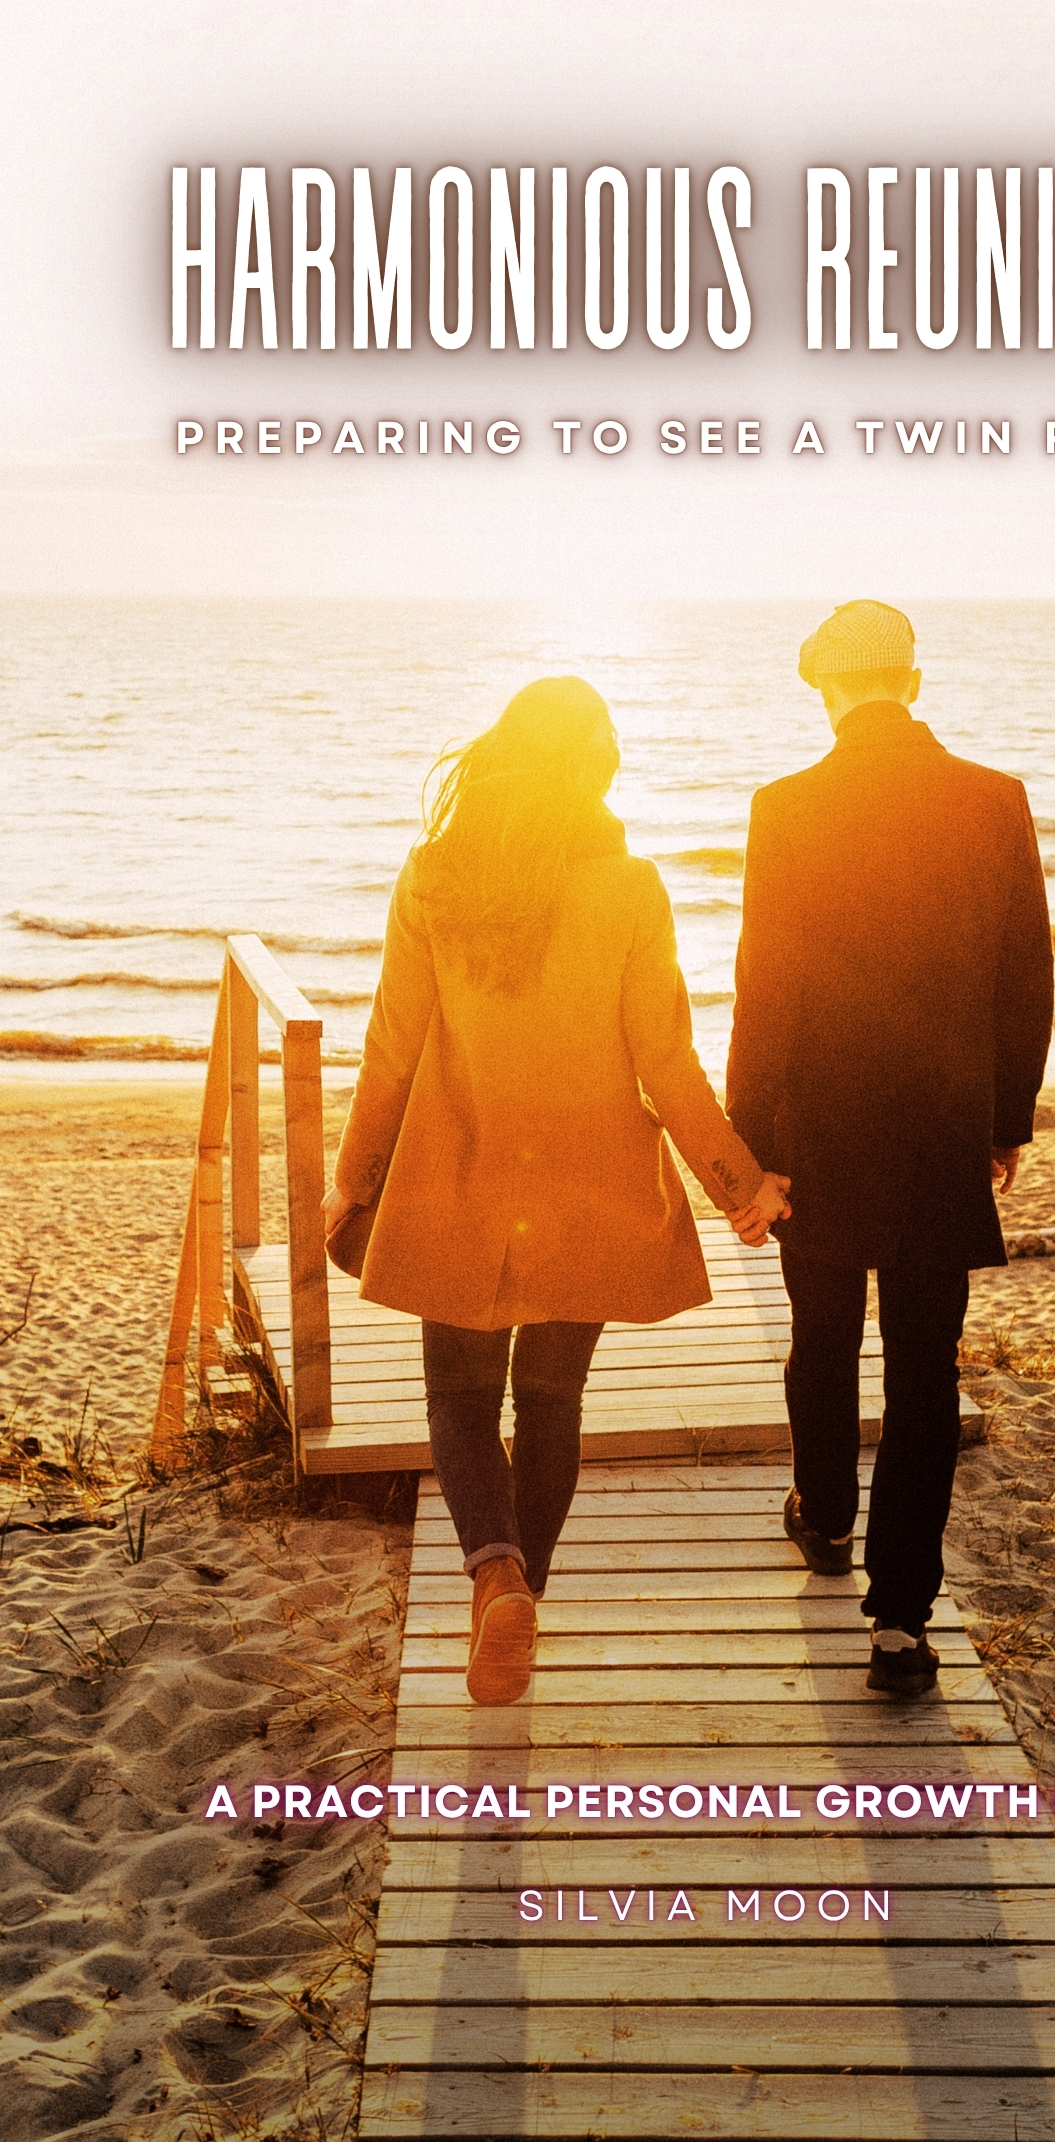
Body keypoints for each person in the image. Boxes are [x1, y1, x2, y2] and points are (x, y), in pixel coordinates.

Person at [323, 676, 790, 1706]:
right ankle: (522, 1590)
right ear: (595, 771)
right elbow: (666, 1066)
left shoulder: (434, 878)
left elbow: (391, 1051)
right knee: (552, 1400)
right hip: (591, 1186)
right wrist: (739, 1184)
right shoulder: (631, 888)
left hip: (458, 1176)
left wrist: (351, 1180)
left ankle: (496, 1576)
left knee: (456, 1395)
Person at [726, 601, 1053, 1696]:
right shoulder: (992, 800)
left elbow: (761, 991)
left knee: (821, 1339)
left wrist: (746, 1148)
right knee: (922, 1375)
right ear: (911, 685)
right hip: (940, 1130)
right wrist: (1006, 1118)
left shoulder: (787, 807)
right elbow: (1025, 977)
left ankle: (822, 1515)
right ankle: (901, 1624)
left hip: (816, 1131)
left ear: (827, 691)